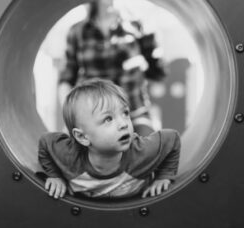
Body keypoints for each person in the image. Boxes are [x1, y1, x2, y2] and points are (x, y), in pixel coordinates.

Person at [39, 79, 180, 199]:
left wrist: (164, 176)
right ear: (82, 137)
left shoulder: (141, 153)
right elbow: (45, 142)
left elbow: (171, 138)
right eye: (108, 119)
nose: (124, 124)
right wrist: (54, 176)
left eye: (125, 113)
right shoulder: (70, 157)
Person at [58, 0, 167, 136]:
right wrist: (72, 117)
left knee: (149, 146)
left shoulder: (137, 25)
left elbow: (158, 73)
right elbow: (66, 79)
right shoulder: (78, 31)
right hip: (93, 115)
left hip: (133, 112)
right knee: (70, 149)